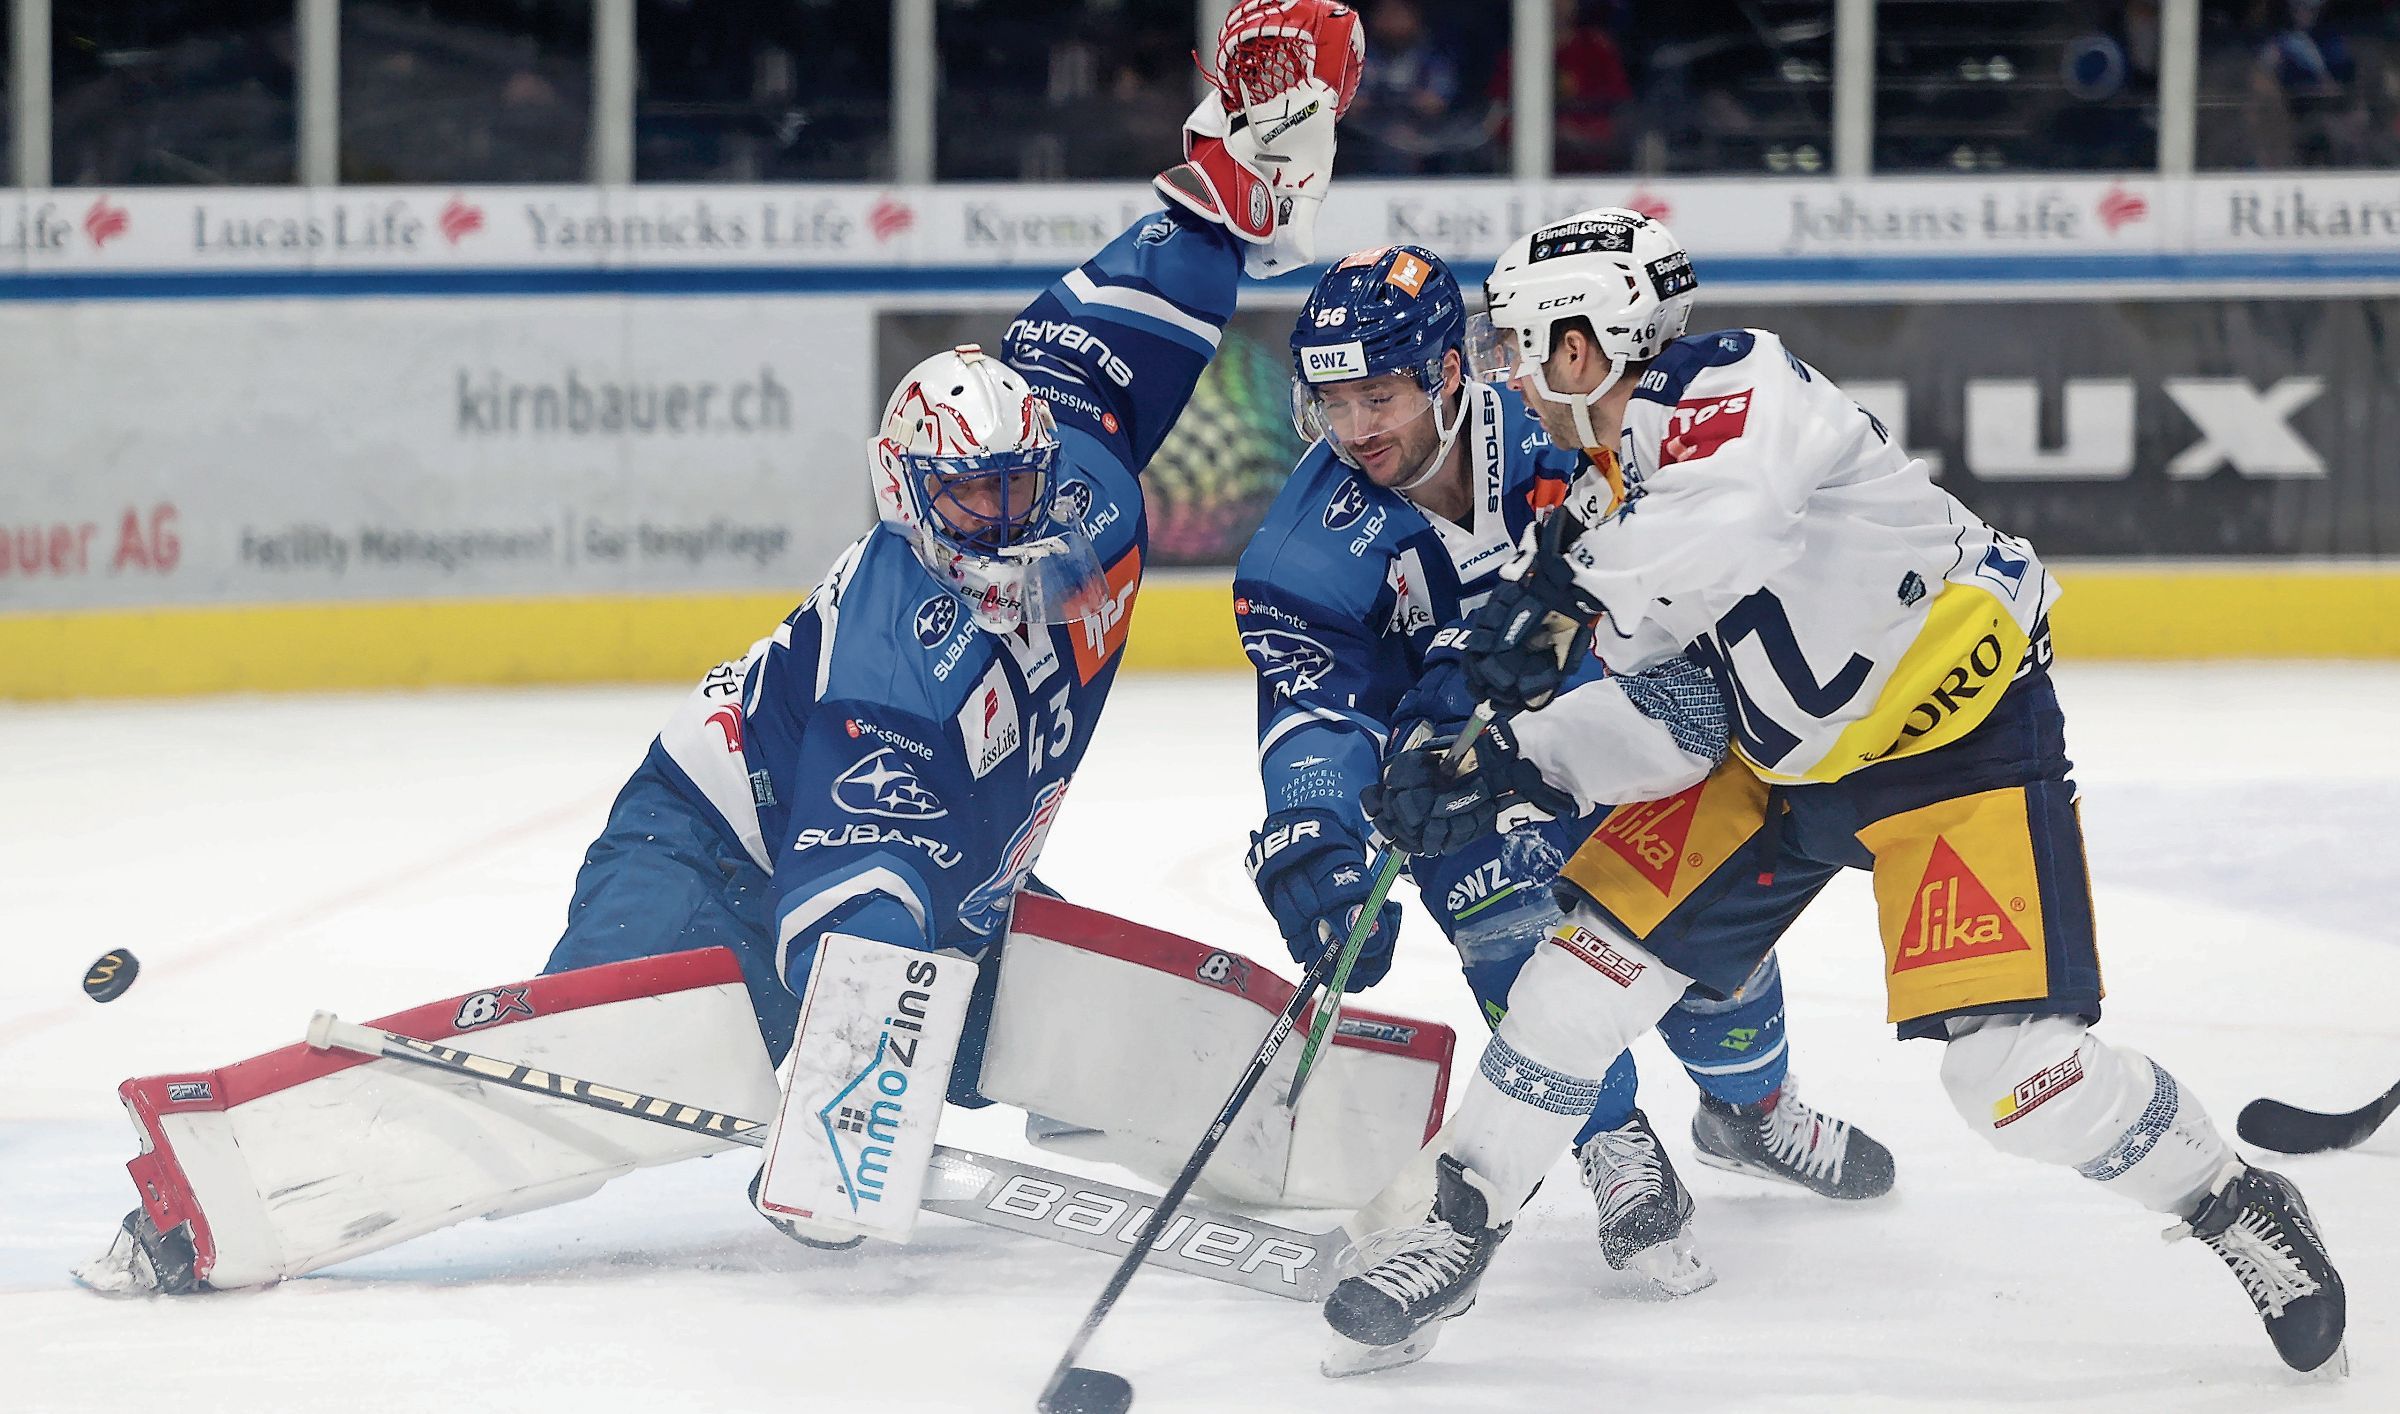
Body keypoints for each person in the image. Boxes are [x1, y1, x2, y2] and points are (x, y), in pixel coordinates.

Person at [79, 0, 1368, 1293]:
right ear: (909, 490)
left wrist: (1236, 174)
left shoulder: (1079, 469)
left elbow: (1150, 289)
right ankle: (218, 1189)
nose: (1006, 513)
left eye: (1018, 482)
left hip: (941, 884)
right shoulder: (896, 642)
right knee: (590, 1091)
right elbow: (862, 886)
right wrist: (845, 1102)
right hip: (709, 845)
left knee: (1033, 1001)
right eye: (971, 494)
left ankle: (1315, 1124)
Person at [1326, 207, 2350, 1375]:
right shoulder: (1611, 495)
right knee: (1577, 978)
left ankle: (2232, 1200)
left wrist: (1558, 598)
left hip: (1957, 743)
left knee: (2012, 1077)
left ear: (1585, 341)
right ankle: (1453, 1226)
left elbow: (1728, 522)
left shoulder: (1736, 382)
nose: (1514, 369)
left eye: (1522, 342)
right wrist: (1515, 767)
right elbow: (1682, 719)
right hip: (1777, 766)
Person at [1236, 242, 1894, 1343]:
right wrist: (1314, 832)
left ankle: (1753, 1111)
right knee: (1519, 942)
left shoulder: (1561, 426)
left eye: (1380, 394)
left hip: (1616, 724)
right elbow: (1311, 709)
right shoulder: (1305, 552)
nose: (1354, 428)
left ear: (1450, 372)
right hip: (1451, 774)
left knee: (1703, 954)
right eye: (1333, 401)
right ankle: (1609, 1139)